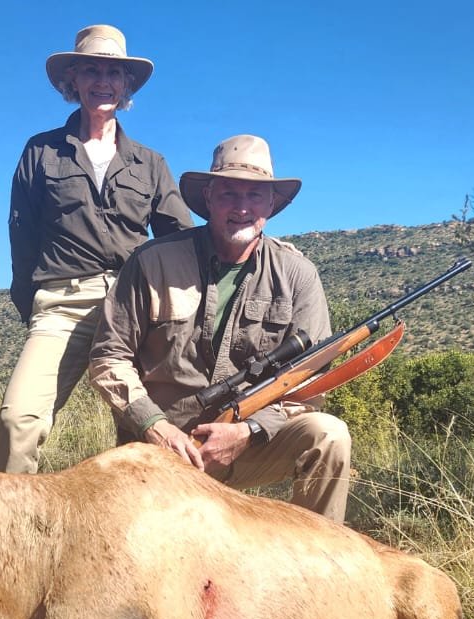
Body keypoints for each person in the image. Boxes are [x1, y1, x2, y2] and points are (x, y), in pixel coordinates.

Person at [89, 135, 352, 522]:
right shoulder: (152, 261)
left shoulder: (298, 274)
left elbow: (308, 383)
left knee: (329, 435)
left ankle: (322, 566)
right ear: (209, 198)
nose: (242, 207)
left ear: (272, 204)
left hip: (248, 446)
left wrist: (249, 432)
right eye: (229, 193)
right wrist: (155, 426)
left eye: (255, 196)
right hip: (160, 449)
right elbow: (109, 356)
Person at [0, 24, 191, 474]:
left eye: (113, 73)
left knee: (155, 431)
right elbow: (21, 237)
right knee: (17, 423)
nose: (103, 81)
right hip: (63, 303)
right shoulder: (40, 152)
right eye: (91, 71)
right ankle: (9, 535)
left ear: (126, 86)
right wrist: (34, 303)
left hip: (138, 308)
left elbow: (179, 238)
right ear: (73, 81)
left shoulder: (151, 163)